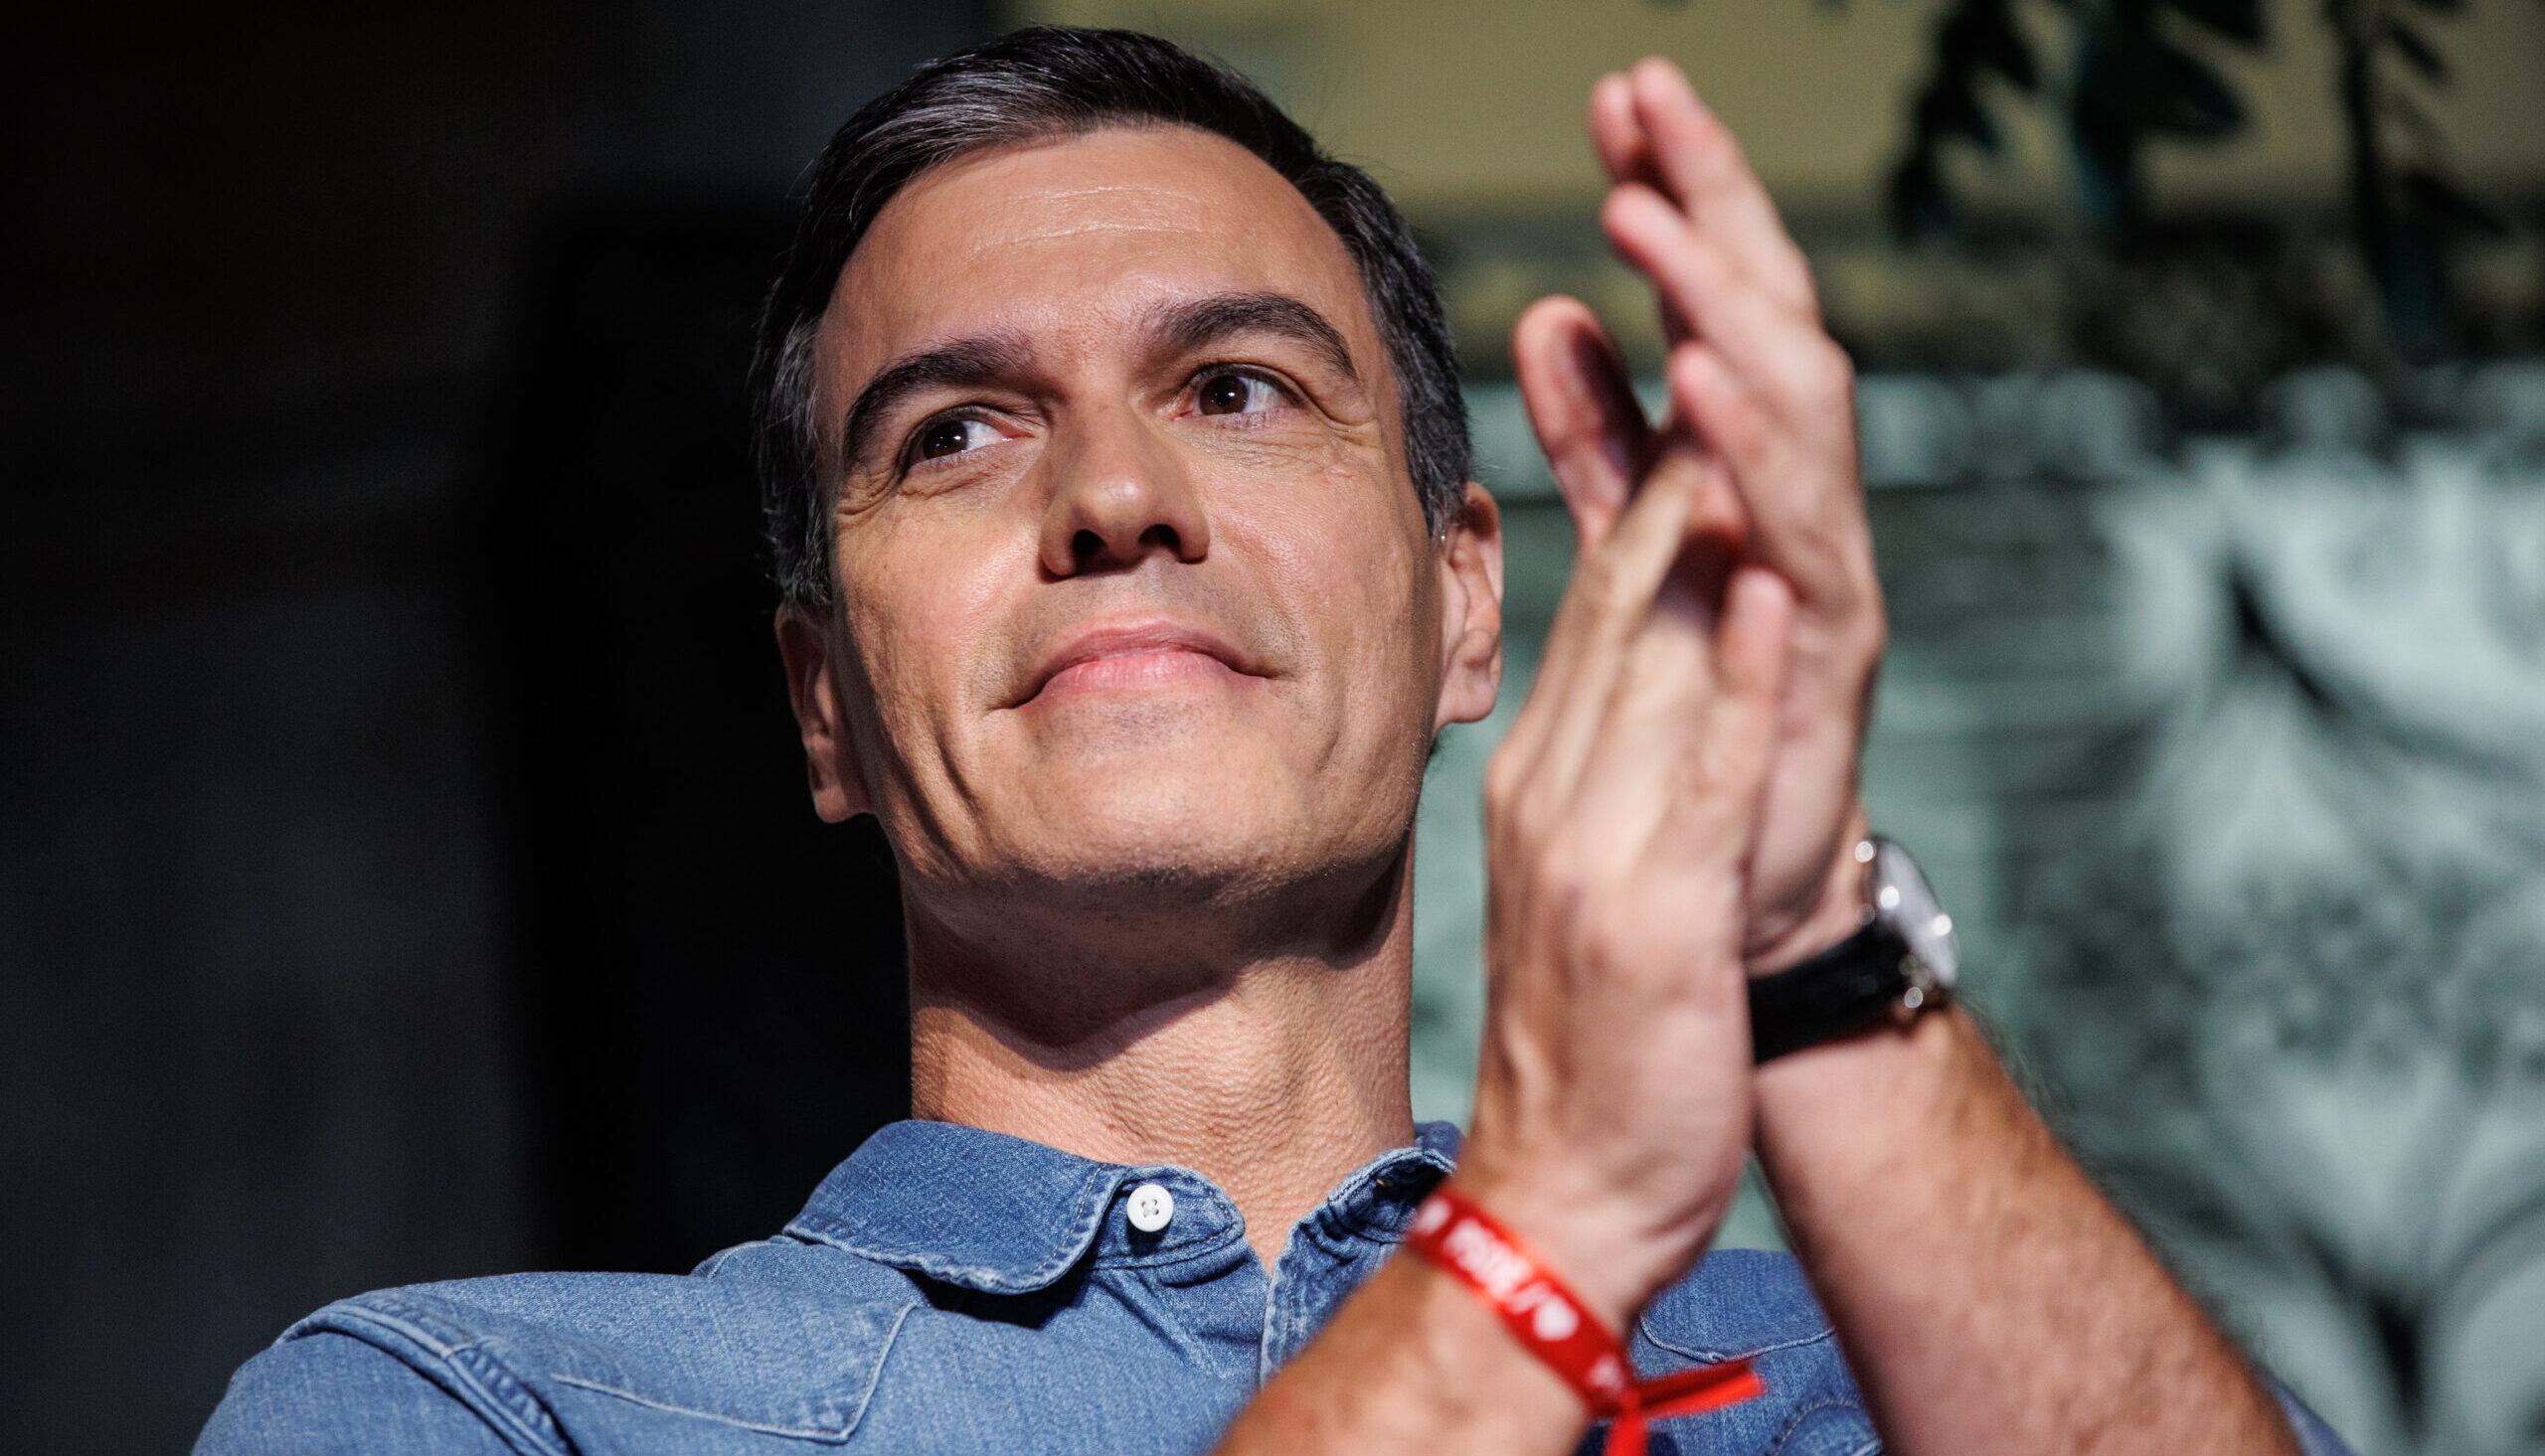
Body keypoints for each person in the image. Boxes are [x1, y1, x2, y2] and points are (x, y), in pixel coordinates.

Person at [199, 27, 2350, 1456]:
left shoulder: (1879, 1383)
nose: (1110, 497)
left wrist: (1804, 940)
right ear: (821, 705)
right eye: (955, 432)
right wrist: (1540, 1237)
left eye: (1234, 385)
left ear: (1462, 597)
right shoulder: (480, 1407)